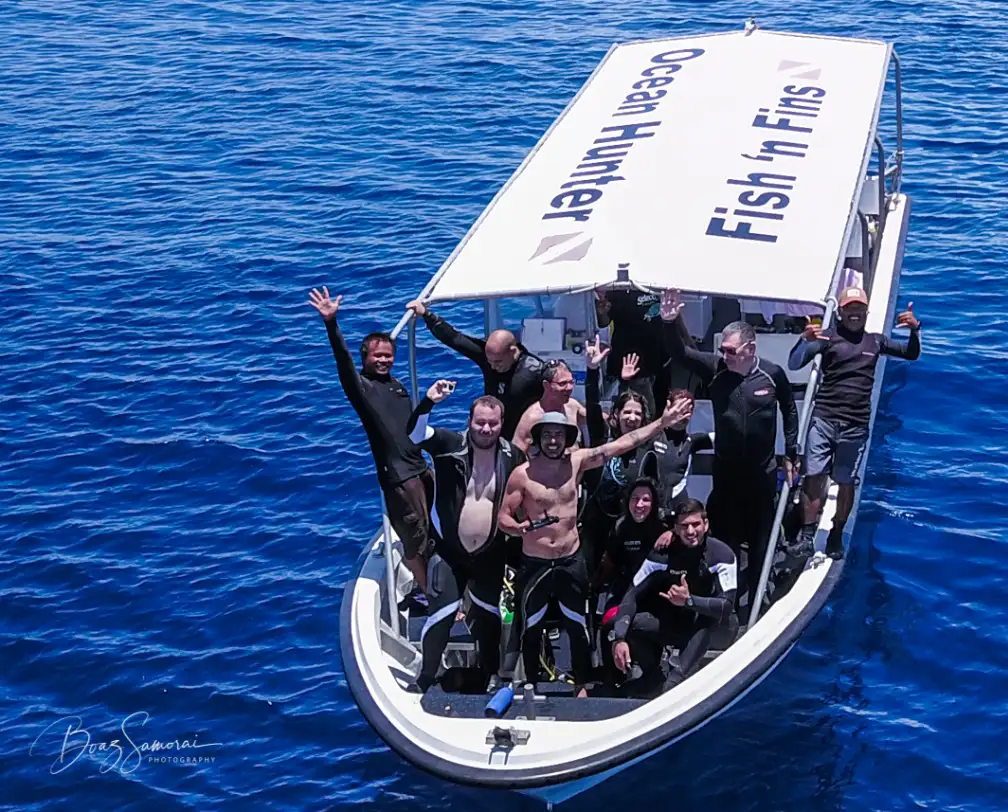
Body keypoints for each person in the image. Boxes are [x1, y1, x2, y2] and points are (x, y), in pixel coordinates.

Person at [497, 396, 692, 694]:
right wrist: (520, 527)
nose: (552, 441)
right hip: (535, 562)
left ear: (567, 439)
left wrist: (663, 423)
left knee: (578, 624)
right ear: (538, 438)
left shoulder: (576, 463)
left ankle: (582, 683)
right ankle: (530, 683)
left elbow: (624, 443)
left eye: (558, 435)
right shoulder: (522, 475)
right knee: (531, 626)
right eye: (547, 435)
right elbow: (503, 518)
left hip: (570, 560)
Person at [661, 289, 798, 616]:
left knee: (761, 537)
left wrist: (792, 453)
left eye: (731, 350)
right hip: (727, 474)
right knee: (728, 539)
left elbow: (790, 412)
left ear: (750, 349)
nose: (724, 355)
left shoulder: (772, 374)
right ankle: (728, 605)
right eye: (722, 350)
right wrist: (668, 322)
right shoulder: (716, 369)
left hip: (761, 475)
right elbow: (681, 353)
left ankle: (761, 597)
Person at [404, 381, 526, 692]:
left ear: (502, 424)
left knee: (489, 617)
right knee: (442, 615)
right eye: (479, 422)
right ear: (469, 421)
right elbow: (414, 436)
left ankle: (491, 678)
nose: (485, 428)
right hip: (450, 552)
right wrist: (428, 402)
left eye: (492, 423)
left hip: (490, 553)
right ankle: (426, 677)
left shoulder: (514, 456)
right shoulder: (449, 444)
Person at [309, 287, 433, 592]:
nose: (383, 361)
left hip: (421, 468)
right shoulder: (361, 388)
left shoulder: (396, 385)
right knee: (415, 539)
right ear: (365, 358)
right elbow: (342, 361)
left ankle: (436, 583)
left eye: (388, 356)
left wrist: (429, 403)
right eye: (377, 356)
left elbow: (411, 427)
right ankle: (430, 594)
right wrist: (331, 323)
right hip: (400, 480)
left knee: (435, 531)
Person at [789, 288, 922, 559]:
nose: (855, 314)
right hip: (824, 419)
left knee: (845, 480)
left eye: (859, 309)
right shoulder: (827, 338)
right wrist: (804, 341)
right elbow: (794, 363)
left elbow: (910, 354)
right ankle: (806, 534)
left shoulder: (876, 341)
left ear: (866, 313)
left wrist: (915, 329)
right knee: (813, 477)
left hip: (856, 425)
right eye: (850, 308)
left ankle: (836, 533)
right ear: (841, 312)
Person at [581, 336, 712, 568]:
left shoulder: (648, 445)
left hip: (632, 526)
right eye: (627, 413)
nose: (632, 418)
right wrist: (592, 370)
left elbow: (666, 486)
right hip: (598, 522)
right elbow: (592, 406)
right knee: (591, 574)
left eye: (638, 415)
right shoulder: (603, 439)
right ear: (616, 415)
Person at [604, 499, 737, 696]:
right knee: (625, 622)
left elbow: (726, 606)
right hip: (677, 624)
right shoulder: (661, 554)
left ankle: (674, 682)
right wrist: (619, 638)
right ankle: (654, 675)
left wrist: (690, 601)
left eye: (696, 525)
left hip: (716, 628)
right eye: (684, 526)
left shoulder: (721, 555)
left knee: (708, 619)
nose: (690, 531)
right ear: (675, 528)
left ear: (706, 525)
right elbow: (630, 596)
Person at [405, 299, 544, 440]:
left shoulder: (535, 370)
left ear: (513, 351)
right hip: (492, 432)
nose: (493, 367)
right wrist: (426, 314)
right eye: (490, 362)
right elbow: (455, 339)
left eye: (498, 362)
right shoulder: (487, 357)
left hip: (524, 437)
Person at [594, 287, 681, 416]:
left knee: (662, 407)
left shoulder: (659, 284)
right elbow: (604, 322)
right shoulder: (617, 288)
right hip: (631, 363)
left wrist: (687, 345)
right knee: (640, 412)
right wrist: (601, 312)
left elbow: (675, 317)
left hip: (661, 358)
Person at [592, 478, 669, 612]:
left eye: (646, 499)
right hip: (628, 585)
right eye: (635, 498)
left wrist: (672, 532)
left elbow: (691, 528)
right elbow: (610, 561)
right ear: (627, 501)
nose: (639, 504)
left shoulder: (664, 523)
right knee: (609, 619)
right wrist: (595, 584)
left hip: (657, 588)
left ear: (654, 503)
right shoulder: (621, 526)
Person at [511, 359, 588, 454]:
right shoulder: (531, 417)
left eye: (571, 382)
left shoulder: (573, 406)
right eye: (562, 383)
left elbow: (595, 419)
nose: (569, 388)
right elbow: (515, 456)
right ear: (546, 385)